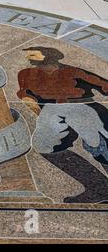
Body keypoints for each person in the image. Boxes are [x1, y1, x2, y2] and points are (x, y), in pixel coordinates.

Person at [17, 46, 108, 203]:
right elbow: (26, 95)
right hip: (52, 111)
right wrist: (42, 113)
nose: (28, 57)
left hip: (83, 107)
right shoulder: (25, 74)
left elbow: (103, 85)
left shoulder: (73, 71)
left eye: (33, 54)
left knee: (100, 147)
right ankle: (99, 187)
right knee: (45, 146)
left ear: (49, 55)